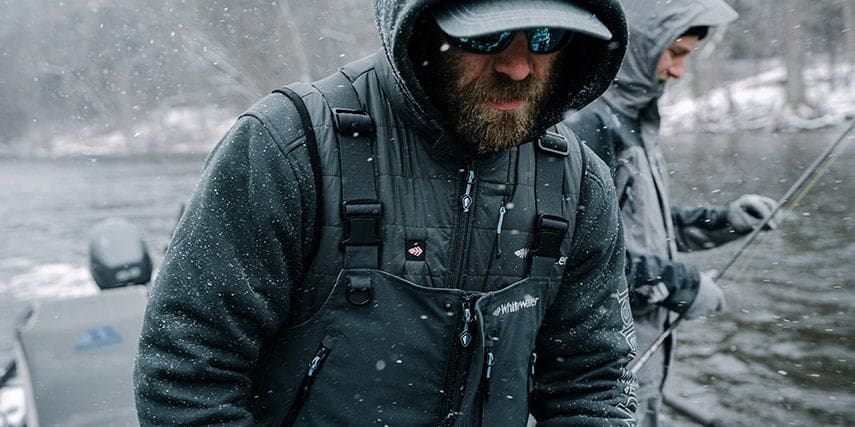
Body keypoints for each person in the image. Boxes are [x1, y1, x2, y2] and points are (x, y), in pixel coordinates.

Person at [134, 0, 638, 425]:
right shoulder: (287, 146)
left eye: (545, 37)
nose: (518, 65)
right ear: (421, 29)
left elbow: (594, 382)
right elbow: (188, 373)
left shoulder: (579, 182)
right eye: (488, 37)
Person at [562, 0, 782, 425]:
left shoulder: (634, 121)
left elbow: (644, 227)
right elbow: (576, 260)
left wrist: (727, 221)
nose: (679, 71)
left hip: (638, 364)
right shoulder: (593, 126)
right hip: (606, 368)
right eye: (675, 53)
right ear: (639, 47)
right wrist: (679, 283)